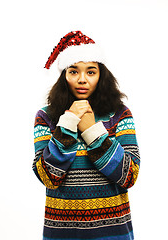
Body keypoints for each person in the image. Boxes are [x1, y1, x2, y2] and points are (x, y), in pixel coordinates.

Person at [32, 31, 140, 240]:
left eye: (91, 72)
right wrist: (68, 124)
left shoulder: (120, 114)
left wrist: (92, 131)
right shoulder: (46, 117)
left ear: (101, 76)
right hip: (62, 234)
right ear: (64, 76)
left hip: (113, 234)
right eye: (74, 72)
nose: (82, 79)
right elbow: (48, 177)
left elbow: (129, 176)